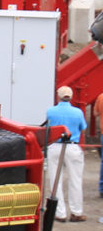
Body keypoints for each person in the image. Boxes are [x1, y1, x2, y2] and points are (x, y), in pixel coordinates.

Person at [46, 85, 87, 223]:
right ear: (71, 97)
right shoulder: (78, 112)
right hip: (72, 146)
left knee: (55, 180)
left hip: (55, 146)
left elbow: (48, 127)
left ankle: (60, 213)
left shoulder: (51, 111)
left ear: (58, 96)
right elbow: (82, 128)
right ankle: (76, 212)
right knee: (75, 180)